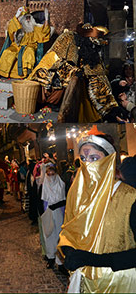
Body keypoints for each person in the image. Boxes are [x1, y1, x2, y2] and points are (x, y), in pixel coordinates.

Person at [58, 125, 136, 293]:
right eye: (83, 159)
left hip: (119, 283)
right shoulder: (77, 193)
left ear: (108, 161)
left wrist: (95, 259)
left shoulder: (130, 197)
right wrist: (69, 250)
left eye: (94, 158)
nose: (87, 164)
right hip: (86, 282)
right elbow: (68, 230)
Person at [28, 23, 126, 123]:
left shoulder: (93, 53)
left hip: (78, 85)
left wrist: (111, 108)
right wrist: (72, 71)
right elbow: (53, 62)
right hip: (53, 75)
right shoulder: (68, 38)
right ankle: (54, 103)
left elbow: (98, 78)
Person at [0, 6, 51, 78]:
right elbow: (11, 28)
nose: (27, 19)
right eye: (26, 18)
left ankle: (27, 72)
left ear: (32, 19)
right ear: (23, 19)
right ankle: (2, 72)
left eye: (29, 18)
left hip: (30, 46)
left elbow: (44, 32)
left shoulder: (35, 29)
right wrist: (17, 15)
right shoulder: (19, 27)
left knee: (29, 52)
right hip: (17, 46)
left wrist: (46, 19)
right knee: (8, 52)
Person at [40, 165, 67, 274]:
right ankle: (51, 258)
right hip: (48, 213)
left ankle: (60, 262)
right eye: (48, 174)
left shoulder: (61, 184)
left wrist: (55, 206)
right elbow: (41, 201)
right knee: (49, 235)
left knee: (59, 236)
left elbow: (65, 199)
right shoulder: (44, 186)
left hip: (59, 212)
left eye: (52, 174)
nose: (51, 177)